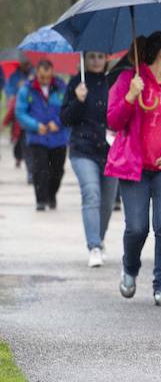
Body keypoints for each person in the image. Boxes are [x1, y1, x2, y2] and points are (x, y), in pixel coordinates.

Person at [106, 32, 161, 308]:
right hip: (135, 167)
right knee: (137, 228)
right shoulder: (129, 81)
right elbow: (113, 121)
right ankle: (130, 268)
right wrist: (131, 96)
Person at [60, 51, 118, 267]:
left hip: (110, 151)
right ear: (84, 59)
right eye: (91, 56)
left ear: (106, 59)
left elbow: (121, 114)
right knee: (91, 193)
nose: (96, 60)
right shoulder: (77, 82)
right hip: (83, 150)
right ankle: (93, 246)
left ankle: (100, 239)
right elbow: (65, 118)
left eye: (100, 56)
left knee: (107, 202)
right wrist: (78, 100)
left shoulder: (113, 82)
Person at [15, 59, 68, 210]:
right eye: (42, 77)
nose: (45, 80)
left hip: (58, 138)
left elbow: (68, 109)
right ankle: (41, 199)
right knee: (40, 169)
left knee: (57, 170)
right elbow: (20, 112)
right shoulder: (27, 89)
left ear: (52, 73)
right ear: (37, 73)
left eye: (48, 77)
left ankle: (51, 194)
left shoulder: (61, 88)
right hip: (37, 137)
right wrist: (35, 125)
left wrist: (57, 123)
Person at [5, 60, 34, 179]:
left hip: (31, 111)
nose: (27, 66)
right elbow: (9, 90)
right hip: (17, 107)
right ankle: (19, 157)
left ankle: (29, 169)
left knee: (27, 143)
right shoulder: (14, 75)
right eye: (25, 64)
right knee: (18, 139)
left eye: (28, 64)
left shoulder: (33, 73)